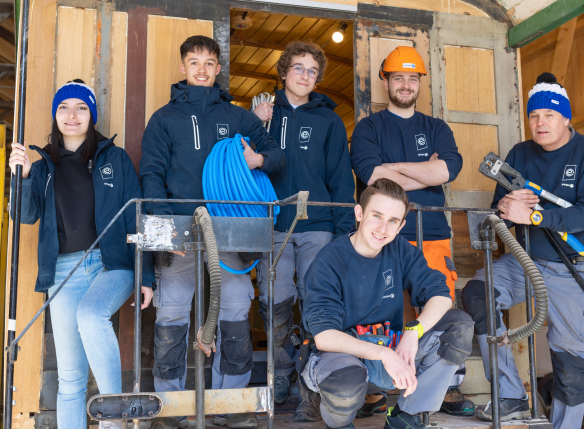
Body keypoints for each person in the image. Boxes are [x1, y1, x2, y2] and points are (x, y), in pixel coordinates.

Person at [139, 35, 285, 429]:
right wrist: (167, 227)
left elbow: (277, 155)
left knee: (236, 308)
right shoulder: (164, 119)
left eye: (208, 62)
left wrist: (257, 158)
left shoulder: (238, 117)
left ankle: (230, 403)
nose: (201, 69)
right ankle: (168, 409)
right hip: (181, 228)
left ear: (218, 68)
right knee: (171, 310)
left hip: (232, 226)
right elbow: (151, 173)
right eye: (194, 62)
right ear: (183, 68)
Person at [461, 72, 584, 428]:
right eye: (534, 116)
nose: (540, 122)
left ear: (565, 118)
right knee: (477, 293)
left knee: (570, 364)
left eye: (549, 115)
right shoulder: (519, 154)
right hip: (526, 260)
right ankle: (511, 396)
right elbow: (501, 213)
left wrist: (536, 213)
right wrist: (508, 207)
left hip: (576, 265)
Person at [9, 79, 155, 429]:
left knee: (91, 316)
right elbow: (24, 216)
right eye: (63, 108)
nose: (71, 115)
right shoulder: (43, 165)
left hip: (111, 264)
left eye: (80, 108)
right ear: (55, 115)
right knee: (70, 379)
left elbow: (139, 217)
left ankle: (114, 419)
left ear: (91, 115)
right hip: (62, 272)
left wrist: (146, 275)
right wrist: (24, 175)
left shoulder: (114, 158)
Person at [349, 46, 473, 417]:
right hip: (383, 235)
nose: (405, 84)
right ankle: (375, 386)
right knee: (383, 309)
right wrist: (423, 169)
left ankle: (445, 387)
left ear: (420, 83)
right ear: (386, 81)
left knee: (440, 306)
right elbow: (371, 175)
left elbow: (447, 171)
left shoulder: (436, 127)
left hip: (432, 230)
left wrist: (396, 170)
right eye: (398, 77)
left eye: (412, 78)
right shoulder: (369, 127)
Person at [301, 178, 474, 429]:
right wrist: (384, 354)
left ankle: (405, 414)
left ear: (401, 225)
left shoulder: (399, 249)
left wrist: (413, 332)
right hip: (342, 357)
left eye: (393, 221)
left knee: (458, 326)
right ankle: (341, 421)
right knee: (345, 385)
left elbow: (441, 294)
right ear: (359, 213)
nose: (383, 228)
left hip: (390, 348)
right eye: (377, 216)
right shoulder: (330, 259)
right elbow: (325, 337)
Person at [250, 40, 356, 414]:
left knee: (318, 303)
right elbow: (241, 160)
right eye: (298, 68)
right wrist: (256, 121)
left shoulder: (328, 119)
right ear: (283, 72)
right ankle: (279, 372)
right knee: (273, 301)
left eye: (312, 71)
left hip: (319, 223)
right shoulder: (262, 112)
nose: (305, 76)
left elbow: (341, 178)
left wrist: (346, 232)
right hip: (273, 221)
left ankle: (311, 382)